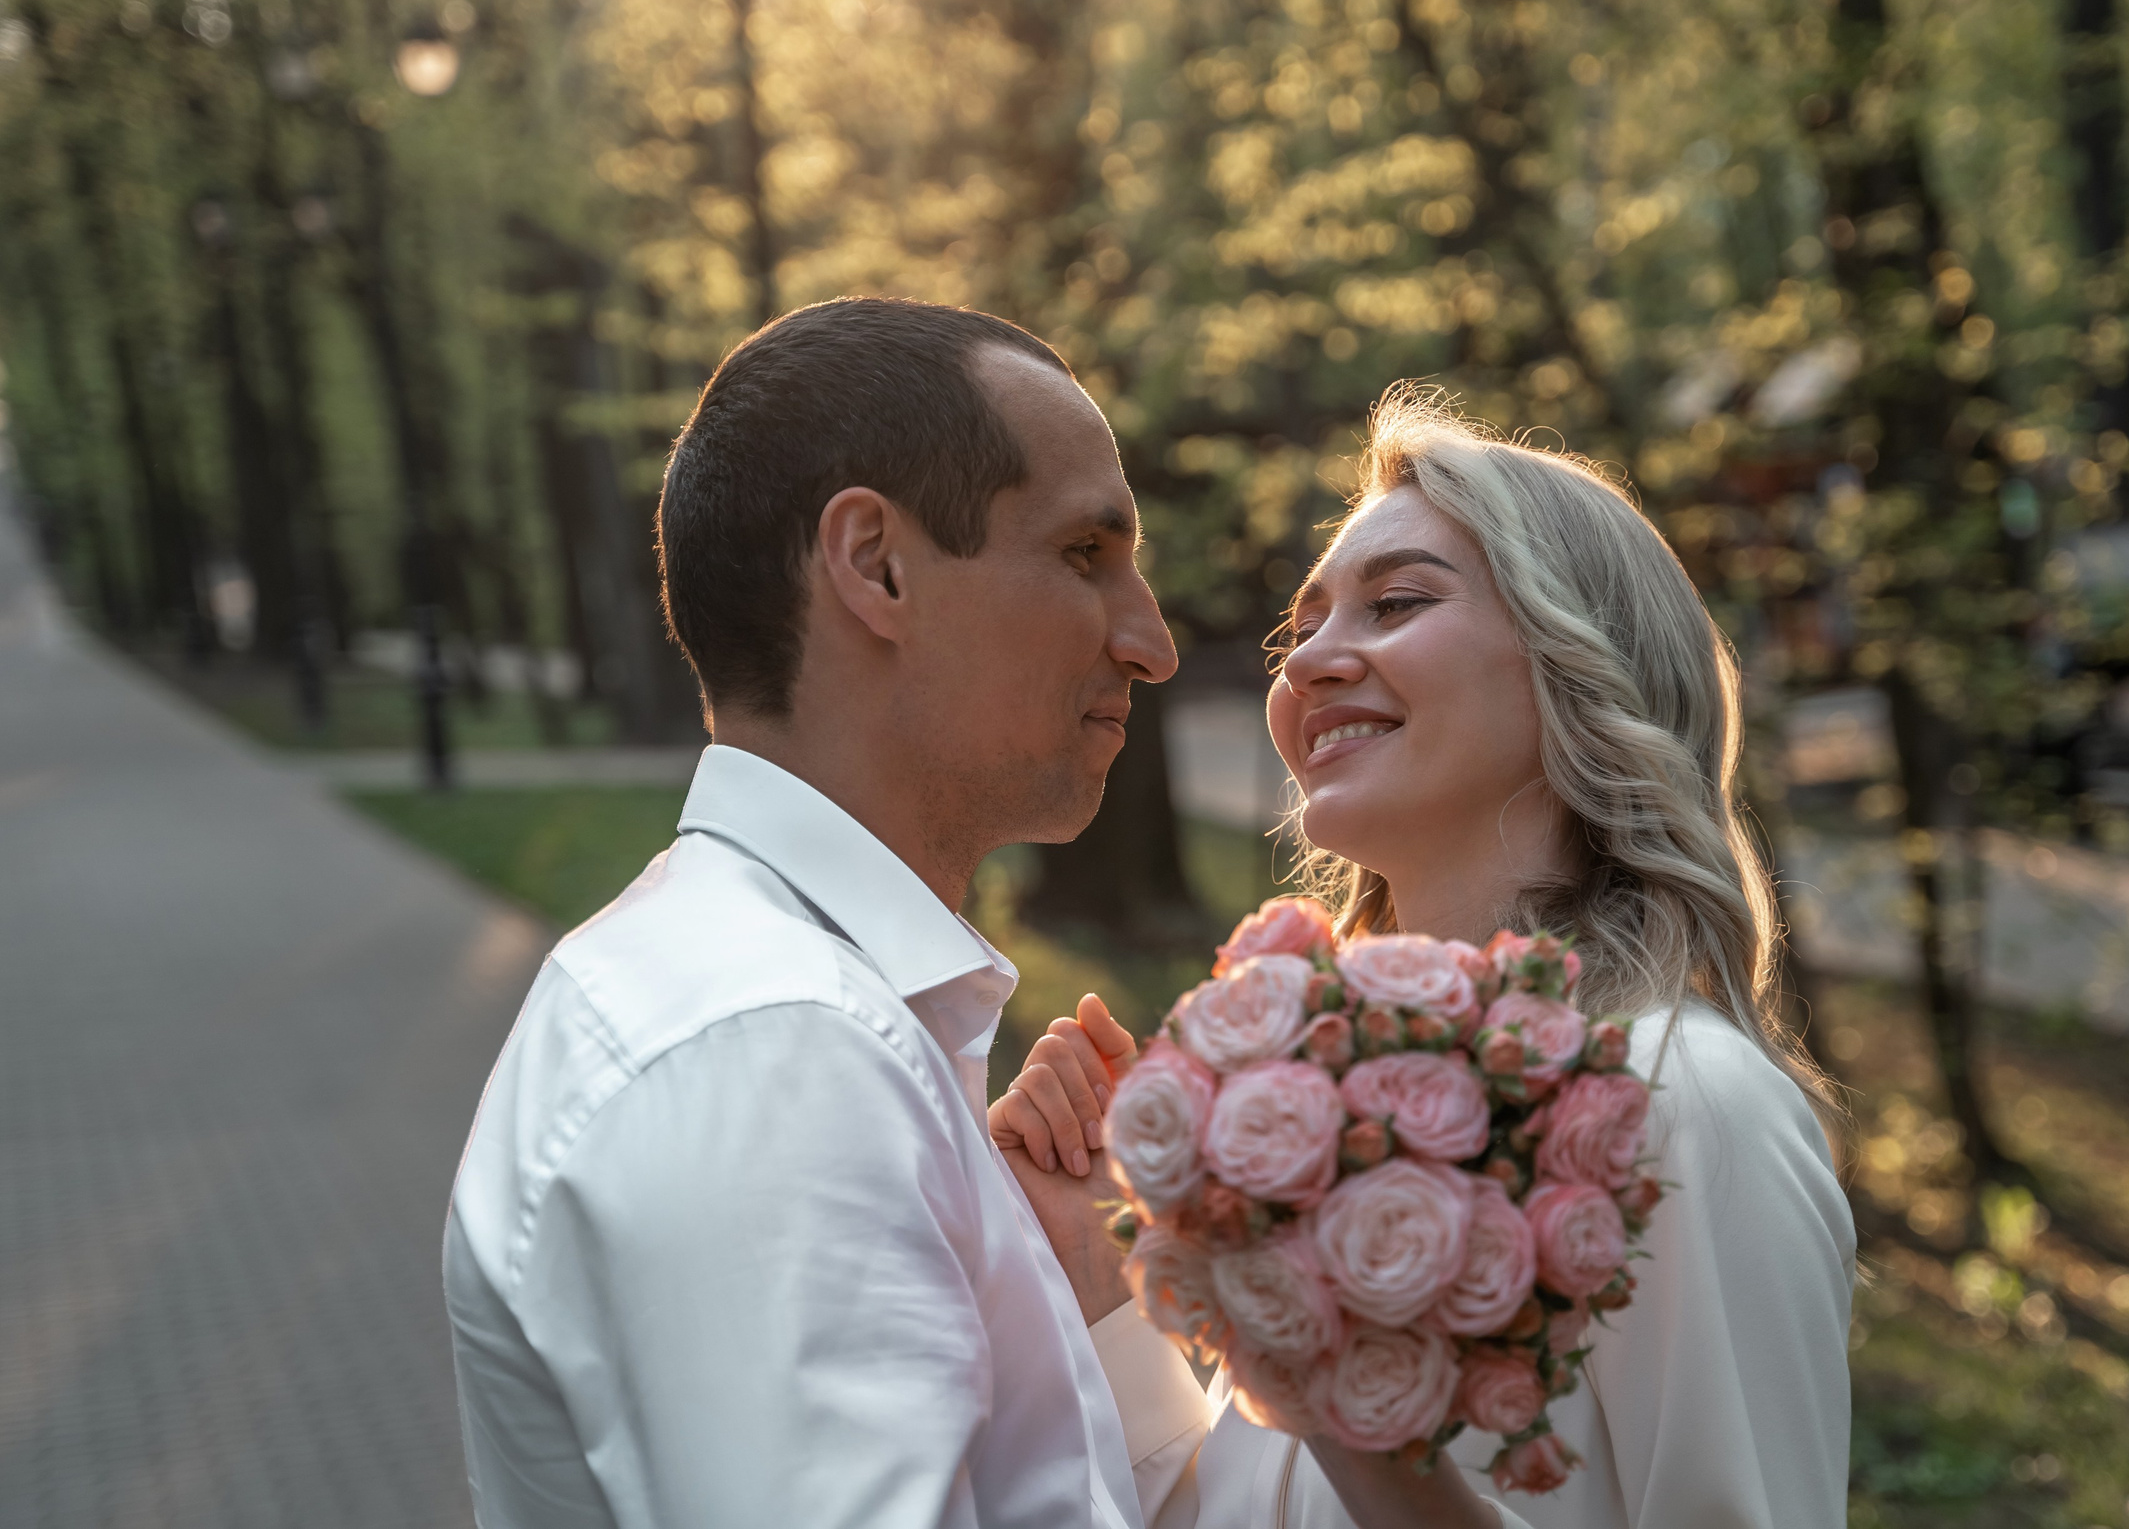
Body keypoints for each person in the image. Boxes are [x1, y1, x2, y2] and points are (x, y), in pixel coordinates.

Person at [992, 390, 1857, 1529]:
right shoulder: (1329, 1117)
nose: (1306, 666)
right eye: (1300, 631)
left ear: (1577, 659)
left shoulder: (1676, 1101)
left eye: (1395, 602)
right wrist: (1100, 1262)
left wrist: (1363, 1435)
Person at [443, 297, 1216, 1528]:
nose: (1151, 640)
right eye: (1085, 553)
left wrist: (1059, 1281)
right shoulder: (773, 1050)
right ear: (875, 565)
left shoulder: (780, 1002)